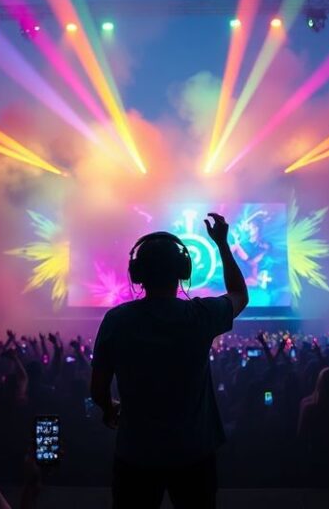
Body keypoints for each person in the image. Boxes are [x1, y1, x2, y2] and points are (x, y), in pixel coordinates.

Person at [91, 212, 248, 509]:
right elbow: (239, 294)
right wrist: (222, 245)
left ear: (137, 273)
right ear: (183, 270)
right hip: (194, 453)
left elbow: (98, 390)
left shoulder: (116, 321)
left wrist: (110, 408)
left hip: (136, 454)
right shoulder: (201, 316)